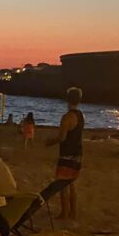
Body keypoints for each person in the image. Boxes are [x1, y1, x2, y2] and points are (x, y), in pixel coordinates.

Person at [47, 87, 84, 220]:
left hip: (67, 154)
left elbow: (62, 137)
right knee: (71, 183)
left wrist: (50, 142)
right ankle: (72, 212)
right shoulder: (80, 115)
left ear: (67, 99)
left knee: (62, 183)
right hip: (78, 153)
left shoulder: (67, 117)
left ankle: (64, 212)